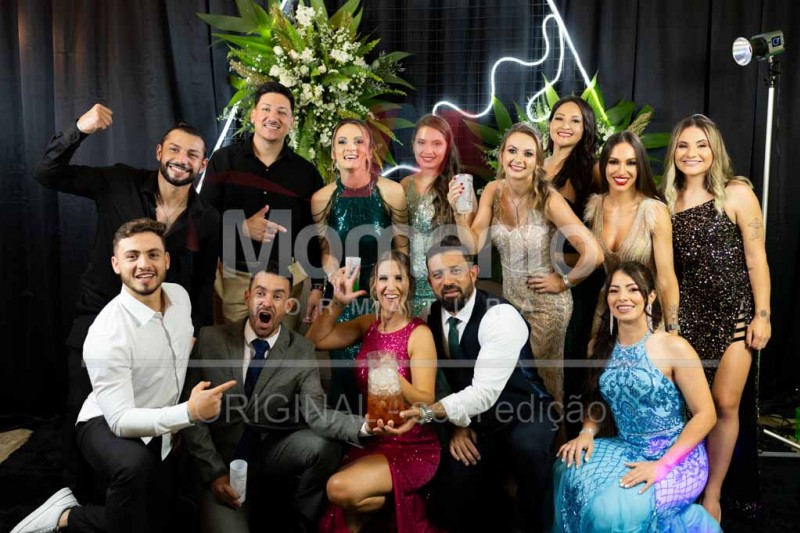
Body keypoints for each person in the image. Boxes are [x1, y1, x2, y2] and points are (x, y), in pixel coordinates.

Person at [33, 104, 219, 495]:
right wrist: (80, 129)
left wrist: (194, 331)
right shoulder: (118, 182)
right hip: (96, 318)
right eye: (174, 149)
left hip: (156, 334)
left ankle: (131, 498)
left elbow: (203, 283)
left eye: (192, 154)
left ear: (202, 165)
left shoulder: (208, 218)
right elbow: (46, 173)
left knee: (141, 424)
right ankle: (74, 501)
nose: (181, 159)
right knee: (83, 414)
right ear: (159, 152)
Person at [12, 219, 235, 533]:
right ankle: (65, 517)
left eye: (152, 254)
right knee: (134, 469)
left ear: (166, 260)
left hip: (160, 422)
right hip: (106, 420)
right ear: (116, 264)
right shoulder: (106, 332)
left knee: (161, 519)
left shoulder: (180, 297)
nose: (144, 264)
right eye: (132, 256)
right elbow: (120, 420)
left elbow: (180, 347)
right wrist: (187, 413)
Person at [181, 264, 372, 533]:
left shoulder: (301, 350)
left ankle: (302, 521)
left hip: (270, 456)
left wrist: (365, 426)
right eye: (260, 293)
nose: (267, 302)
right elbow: (191, 417)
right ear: (248, 297)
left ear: (289, 305)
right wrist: (214, 474)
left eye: (278, 296)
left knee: (323, 446)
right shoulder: (210, 339)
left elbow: (318, 414)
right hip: (221, 463)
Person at [401, 237, 556, 532]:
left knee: (528, 450)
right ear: (430, 283)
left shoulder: (499, 314)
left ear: (473, 273)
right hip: (476, 421)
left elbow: (484, 393)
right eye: (437, 274)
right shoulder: (430, 319)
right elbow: (441, 380)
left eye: (455, 270)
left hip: (524, 411)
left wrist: (431, 413)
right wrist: (456, 426)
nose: (447, 281)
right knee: (453, 492)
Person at [552, 261, 720, 532]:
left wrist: (661, 465)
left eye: (632, 290)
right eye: (614, 291)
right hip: (627, 447)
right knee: (567, 467)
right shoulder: (597, 346)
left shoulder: (674, 347)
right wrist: (586, 432)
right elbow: (598, 400)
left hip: (678, 459)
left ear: (650, 296)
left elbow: (707, 415)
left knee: (607, 512)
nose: (623, 298)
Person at [663, 114, 771, 523]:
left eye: (701, 145)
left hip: (735, 316)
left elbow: (757, 259)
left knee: (726, 404)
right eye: (683, 145)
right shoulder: (666, 203)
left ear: (714, 150)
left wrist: (763, 315)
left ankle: (713, 495)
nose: (691, 153)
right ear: (674, 152)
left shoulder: (737, 193)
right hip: (688, 320)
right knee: (693, 408)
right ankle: (686, 487)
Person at [452, 122, 602, 408]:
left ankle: (554, 436)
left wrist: (563, 282)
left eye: (528, 153)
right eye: (512, 151)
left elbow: (593, 253)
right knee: (515, 383)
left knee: (541, 383)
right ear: (501, 156)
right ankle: (525, 436)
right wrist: (460, 215)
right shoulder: (493, 191)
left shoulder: (549, 198)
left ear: (537, 162)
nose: (518, 159)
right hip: (511, 304)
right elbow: (472, 246)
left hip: (547, 306)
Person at [306, 251, 439, 533]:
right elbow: (314, 341)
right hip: (374, 437)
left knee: (337, 489)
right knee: (345, 508)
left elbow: (426, 399)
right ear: (374, 285)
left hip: (411, 443)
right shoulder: (368, 324)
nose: (391, 286)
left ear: (409, 285)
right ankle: (399, 503)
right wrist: (337, 303)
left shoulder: (419, 333)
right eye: (383, 278)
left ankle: (404, 503)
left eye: (399, 278)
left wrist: (393, 375)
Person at [199, 81, 326, 327]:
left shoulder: (306, 173)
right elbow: (203, 218)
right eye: (266, 109)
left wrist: (317, 286)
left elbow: (312, 233)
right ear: (253, 115)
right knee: (235, 346)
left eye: (282, 112)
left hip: (285, 282)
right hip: (235, 279)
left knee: (281, 349)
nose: (273, 117)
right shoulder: (223, 161)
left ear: (291, 121)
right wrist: (241, 227)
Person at [311, 119, 408, 413]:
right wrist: (333, 275)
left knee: (385, 379)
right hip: (344, 299)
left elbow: (402, 249)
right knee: (346, 377)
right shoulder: (321, 199)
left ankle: (387, 435)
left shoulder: (391, 192)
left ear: (369, 150)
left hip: (385, 298)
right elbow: (326, 252)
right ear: (333, 152)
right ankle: (347, 436)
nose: (350, 147)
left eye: (358, 141)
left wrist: (397, 294)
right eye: (342, 142)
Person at [543, 96, 605, 438]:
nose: (565, 126)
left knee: (570, 363)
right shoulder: (534, 164)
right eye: (559, 118)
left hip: (576, 282)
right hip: (534, 281)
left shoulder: (591, 169)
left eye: (575, 121)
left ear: (586, 130)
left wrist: (565, 278)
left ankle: (572, 442)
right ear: (549, 123)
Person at [584, 130, 679, 334]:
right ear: (604, 165)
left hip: (648, 315)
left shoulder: (654, 211)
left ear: (640, 167)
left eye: (631, 163)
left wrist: (672, 328)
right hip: (607, 313)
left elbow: (666, 279)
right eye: (613, 162)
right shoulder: (595, 207)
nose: (621, 171)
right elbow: (589, 259)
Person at [400, 114, 475, 316]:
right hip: (411, 287)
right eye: (421, 143)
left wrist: (458, 212)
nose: (428, 151)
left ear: (448, 147)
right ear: (413, 144)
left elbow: (470, 247)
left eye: (437, 143)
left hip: (445, 286)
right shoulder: (405, 185)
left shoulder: (460, 186)